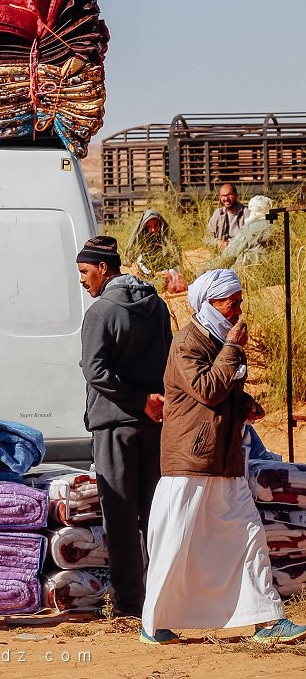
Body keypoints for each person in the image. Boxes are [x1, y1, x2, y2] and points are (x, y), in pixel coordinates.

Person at [141, 268, 306, 645]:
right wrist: (232, 348)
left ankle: (267, 620)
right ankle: (154, 622)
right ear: (211, 303)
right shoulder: (188, 342)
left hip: (225, 460)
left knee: (249, 536)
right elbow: (206, 389)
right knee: (176, 541)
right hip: (191, 461)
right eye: (232, 303)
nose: (238, 310)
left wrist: (244, 405)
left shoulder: (219, 342)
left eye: (239, 302)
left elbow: (221, 393)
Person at [76, 236, 173, 618]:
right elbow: (168, 360)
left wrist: (136, 400)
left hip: (116, 424)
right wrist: (152, 401)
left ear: (104, 268)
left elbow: (95, 371)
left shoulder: (100, 313)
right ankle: (161, 601)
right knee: (155, 515)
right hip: (154, 423)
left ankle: (130, 604)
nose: (83, 281)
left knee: (119, 515)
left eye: (85, 272)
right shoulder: (158, 306)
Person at [211, 195, 274, 270]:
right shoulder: (274, 225)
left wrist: (211, 267)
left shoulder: (251, 227)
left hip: (248, 269)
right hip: (269, 266)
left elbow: (231, 252)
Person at [123, 209, 183, 283]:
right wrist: (152, 273)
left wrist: (169, 271)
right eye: (149, 226)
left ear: (160, 224)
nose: (153, 229)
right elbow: (139, 261)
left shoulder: (167, 238)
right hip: (148, 272)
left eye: (155, 225)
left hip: (166, 270)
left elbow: (175, 257)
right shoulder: (142, 239)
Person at [207, 184, 249, 250]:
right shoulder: (218, 214)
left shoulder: (246, 213)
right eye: (223, 196)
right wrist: (218, 242)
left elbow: (251, 238)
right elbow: (207, 237)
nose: (226, 199)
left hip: (241, 252)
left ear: (236, 195)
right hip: (221, 254)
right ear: (220, 197)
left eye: (229, 195)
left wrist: (230, 245)